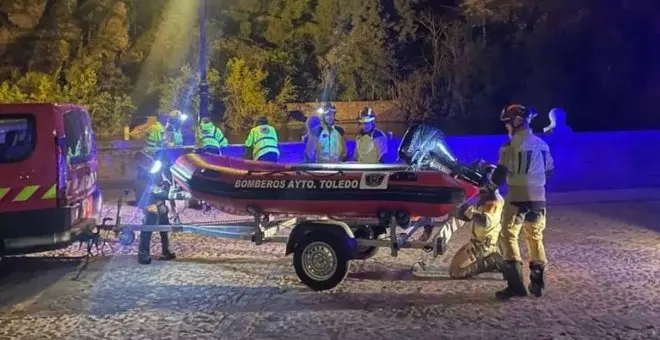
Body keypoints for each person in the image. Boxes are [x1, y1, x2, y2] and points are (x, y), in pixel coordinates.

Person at [496, 104, 554, 299]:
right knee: (535, 237)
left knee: (508, 235)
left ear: (517, 122)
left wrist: (487, 187)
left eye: (508, 123)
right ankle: (537, 284)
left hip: (517, 198)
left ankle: (515, 285)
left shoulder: (509, 146)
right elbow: (549, 170)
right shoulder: (543, 144)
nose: (507, 127)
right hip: (539, 199)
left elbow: (500, 174)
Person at [448, 161, 507, 279]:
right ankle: (490, 259)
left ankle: (492, 261)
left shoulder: (494, 201)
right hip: (476, 243)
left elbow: (485, 222)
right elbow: (469, 216)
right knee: (454, 268)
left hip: (484, 246)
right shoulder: (485, 198)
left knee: (457, 272)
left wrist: (468, 210)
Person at [134, 152, 191, 265]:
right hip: (149, 205)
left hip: (160, 204)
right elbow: (153, 190)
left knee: (164, 229)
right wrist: (171, 194)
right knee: (147, 230)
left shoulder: (155, 169)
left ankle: (165, 251)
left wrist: (166, 186)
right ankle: (143, 254)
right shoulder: (141, 175)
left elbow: (162, 182)